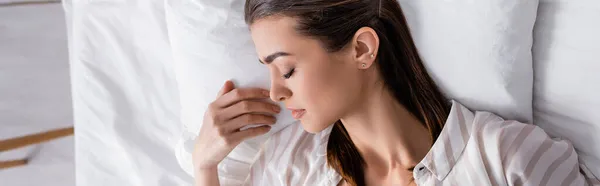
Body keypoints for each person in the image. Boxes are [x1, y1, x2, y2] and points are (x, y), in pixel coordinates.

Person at [193, 0, 600, 185]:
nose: (276, 92)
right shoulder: (291, 168)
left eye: (288, 69)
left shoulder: (506, 157)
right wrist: (205, 167)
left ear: (362, 49)